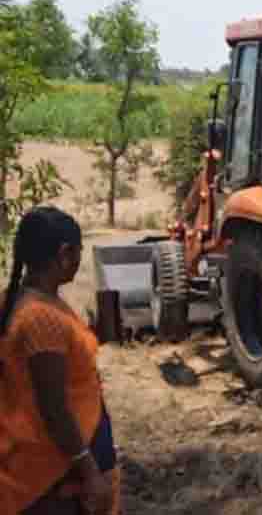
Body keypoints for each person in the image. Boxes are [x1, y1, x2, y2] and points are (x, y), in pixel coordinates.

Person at [0, 207, 120, 515]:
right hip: (54, 472)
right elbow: (54, 408)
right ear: (65, 254)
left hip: (50, 462)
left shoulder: (26, 301)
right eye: (78, 253)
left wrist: (94, 335)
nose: (79, 262)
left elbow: (56, 363)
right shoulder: (41, 318)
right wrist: (90, 471)